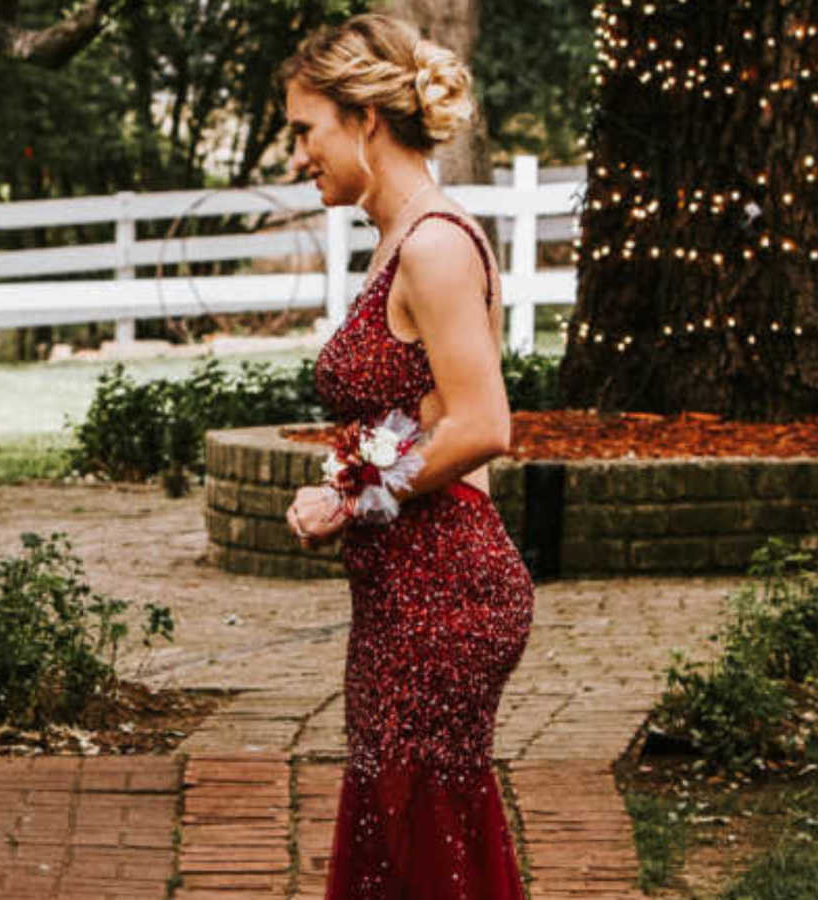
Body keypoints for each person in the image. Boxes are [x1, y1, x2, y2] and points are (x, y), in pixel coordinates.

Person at [279, 14, 534, 898]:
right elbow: (414, 419)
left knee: (425, 835)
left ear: (364, 121)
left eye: (306, 130)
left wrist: (352, 499)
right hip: (403, 589)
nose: (298, 154)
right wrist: (348, 485)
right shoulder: (397, 240)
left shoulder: (432, 244)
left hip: (447, 594)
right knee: (405, 830)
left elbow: (480, 424)